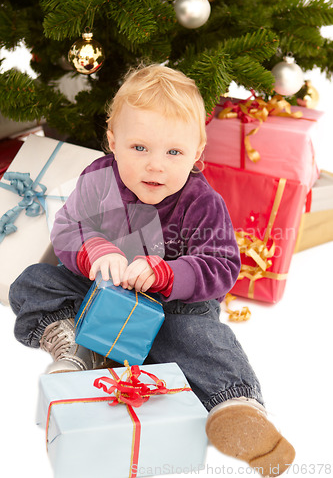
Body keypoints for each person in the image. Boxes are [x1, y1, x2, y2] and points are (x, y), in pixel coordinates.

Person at [9, 64, 295, 476]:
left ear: (197, 154)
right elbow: (68, 228)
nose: (155, 166)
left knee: (203, 337)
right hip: (99, 294)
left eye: (173, 152)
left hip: (173, 308)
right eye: (139, 148)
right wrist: (95, 250)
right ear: (113, 143)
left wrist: (166, 274)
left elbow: (223, 265)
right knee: (33, 282)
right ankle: (75, 345)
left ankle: (236, 407)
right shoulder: (98, 178)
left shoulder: (202, 201)